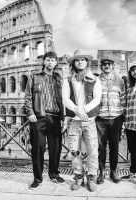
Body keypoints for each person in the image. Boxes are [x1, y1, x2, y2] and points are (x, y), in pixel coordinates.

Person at [62, 49, 102, 192]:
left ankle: (91, 177)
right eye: (77, 60)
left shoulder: (94, 79)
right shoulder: (67, 80)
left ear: (87, 62)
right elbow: (65, 99)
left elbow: (97, 98)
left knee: (92, 151)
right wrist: (77, 110)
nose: (80, 62)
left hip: (89, 120)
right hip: (74, 120)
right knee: (75, 151)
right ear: (73, 63)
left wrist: (84, 110)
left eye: (82, 59)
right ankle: (78, 176)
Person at [25, 51, 65, 189]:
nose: (50, 62)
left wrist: (63, 118)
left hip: (55, 117)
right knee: (38, 149)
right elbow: (28, 97)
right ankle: (37, 178)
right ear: (44, 62)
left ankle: (54, 174)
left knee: (55, 149)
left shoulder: (58, 78)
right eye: (48, 60)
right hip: (38, 117)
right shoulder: (34, 77)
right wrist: (30, 112)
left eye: (53, 60)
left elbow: (63, 100)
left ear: (56, 63)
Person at [95, 57, 125, 184]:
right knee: (101, 148)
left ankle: (113, 171)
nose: (107, 66)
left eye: (109, 64)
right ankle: (101, 172)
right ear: (101, 66)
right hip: (100, 118)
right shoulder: (96, 80)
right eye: (104, 64)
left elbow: (123, 99)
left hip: (116, 118)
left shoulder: (120, 80)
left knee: (114, 147)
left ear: (113, 66)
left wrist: (123, 121)